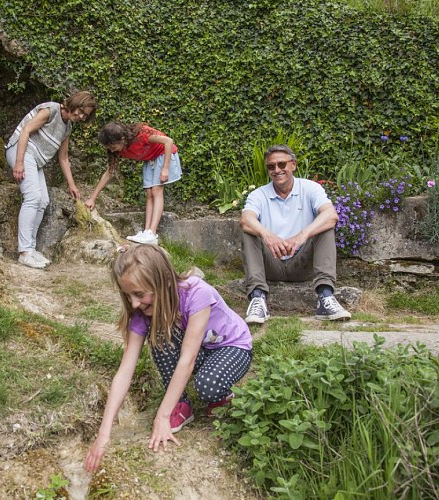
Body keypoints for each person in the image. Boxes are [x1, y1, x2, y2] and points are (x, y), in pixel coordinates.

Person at [84, 245, 253, 473]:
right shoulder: (142, 312)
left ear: (164, 281)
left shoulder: (197, 293)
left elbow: (187, 358)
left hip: (232, 347)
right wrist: (103, 435)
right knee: (161, 332)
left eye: (140, 294)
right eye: (128, 295)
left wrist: (161, 417)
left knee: (208, 386)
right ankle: (181, 404)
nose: (134, 303)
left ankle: (223, 397)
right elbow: (125, 371)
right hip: (202, 349)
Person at [239, 144, 351, 324]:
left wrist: (302, 236)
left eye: (282, 164)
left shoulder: (310, 188)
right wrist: (268, 235)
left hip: (302, 262)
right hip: (271, 263)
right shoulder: (258, 195)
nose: (277, 170)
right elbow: (246, 219)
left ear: (293, 165)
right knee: (249, 230)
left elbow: (331, 215)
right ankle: (258, 298)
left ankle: (325, 296)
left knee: (326, 226)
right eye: (271, 166)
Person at [5, 91, 97, 269]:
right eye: (80, 110)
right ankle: (24, 252)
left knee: (43, 200)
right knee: (33, 197)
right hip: (20, 151)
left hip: (34, 161)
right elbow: (25, 131)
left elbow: (63, 158)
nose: (80, 116)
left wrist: (72, 185)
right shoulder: (50, 110)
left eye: (84, 115)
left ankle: (30, 249)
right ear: (74, 103)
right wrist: (19, 162)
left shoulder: (67, 127)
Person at [84, 122, 182, 245]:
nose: (111, 150)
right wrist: (92, 198)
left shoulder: (142, 136)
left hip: (164, 155)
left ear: (122, 139)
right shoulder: (118, 150)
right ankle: (147, 232)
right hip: (150, 159)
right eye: (108, 147)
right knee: (149, 193)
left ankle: (152, 233)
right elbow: (109, 172)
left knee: (156, 190)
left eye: (112, 146)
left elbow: (168, 141)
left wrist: (165, 168)